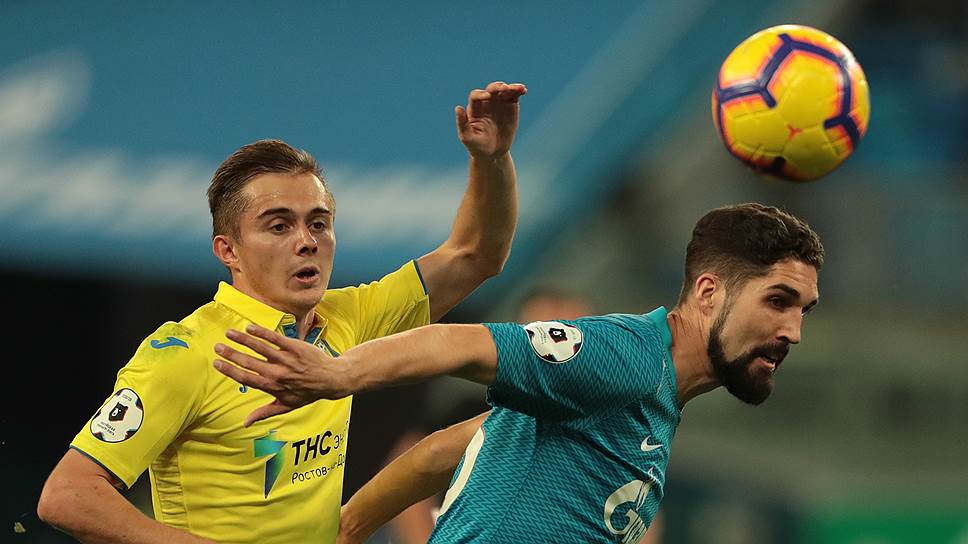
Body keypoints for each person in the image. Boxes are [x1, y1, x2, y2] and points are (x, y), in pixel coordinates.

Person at [36, 81, 527, 544]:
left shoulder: (349, 317)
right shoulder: (186, 354)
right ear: (228, 250)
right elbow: (68, 495)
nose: (306, 241)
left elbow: (476, 256)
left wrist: (493, 160)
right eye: (279, 226)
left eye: (319, 223)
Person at [213, 203, 823, 543]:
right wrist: (339, 374)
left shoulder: (655, 393)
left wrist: (347, 529)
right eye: (777, 301)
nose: (792, 331)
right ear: (709, 293)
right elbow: (456, 343)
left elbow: (443, 451)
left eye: (803, 311)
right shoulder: (625, 357)